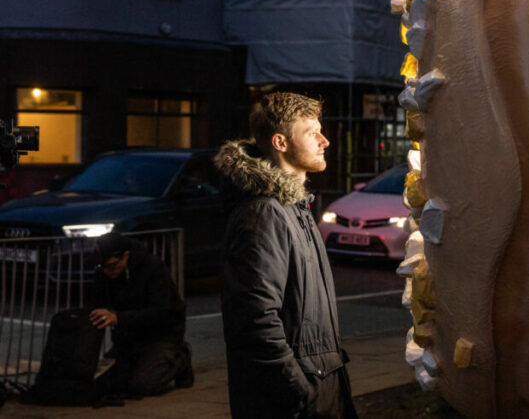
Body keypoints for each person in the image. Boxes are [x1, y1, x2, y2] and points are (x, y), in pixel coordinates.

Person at [215, 92, 355, 418]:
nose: (324, 141)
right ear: (280, 142)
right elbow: (255, 321)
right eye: (312, 133)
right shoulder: (264, 214)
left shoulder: (296, 207)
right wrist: (299, 392)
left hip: (319, 389)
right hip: (295, 403)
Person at [90, 231, 193, 397]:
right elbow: (97, 304)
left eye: (113, 266)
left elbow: (160, 312)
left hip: (162, 335)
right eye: (104, 267)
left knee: (143, 385)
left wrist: (118, 318)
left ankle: (180, 358)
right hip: (129, 337)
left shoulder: (153, 267)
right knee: (107, 381)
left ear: (125, 256)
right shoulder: (104, 273)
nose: (109, 272)